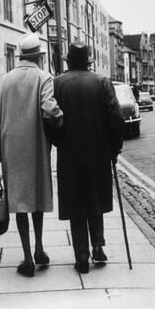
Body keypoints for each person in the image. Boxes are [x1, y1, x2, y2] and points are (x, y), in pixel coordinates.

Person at [0, 32, 63, 277]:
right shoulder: (44, 77)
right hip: (36, 146)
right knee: (37, 200)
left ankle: (27, 257)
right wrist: (61, 123)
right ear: (39, 57)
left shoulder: (7, 79)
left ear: (21, 55)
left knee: (20, 203)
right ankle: (40, 249)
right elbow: (50, 110)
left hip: (12, 149)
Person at [53, 43, 124, 274]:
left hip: (69, 153)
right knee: (94, 198)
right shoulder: (102, 82)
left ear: (68, 61)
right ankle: (98, 246)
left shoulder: (58, 84)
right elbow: (116, 118)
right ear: (88, 61)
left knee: (76, 204)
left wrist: (58, 141)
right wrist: (114, 149)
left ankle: (81, 255)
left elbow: (50, 119)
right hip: (98, 153)